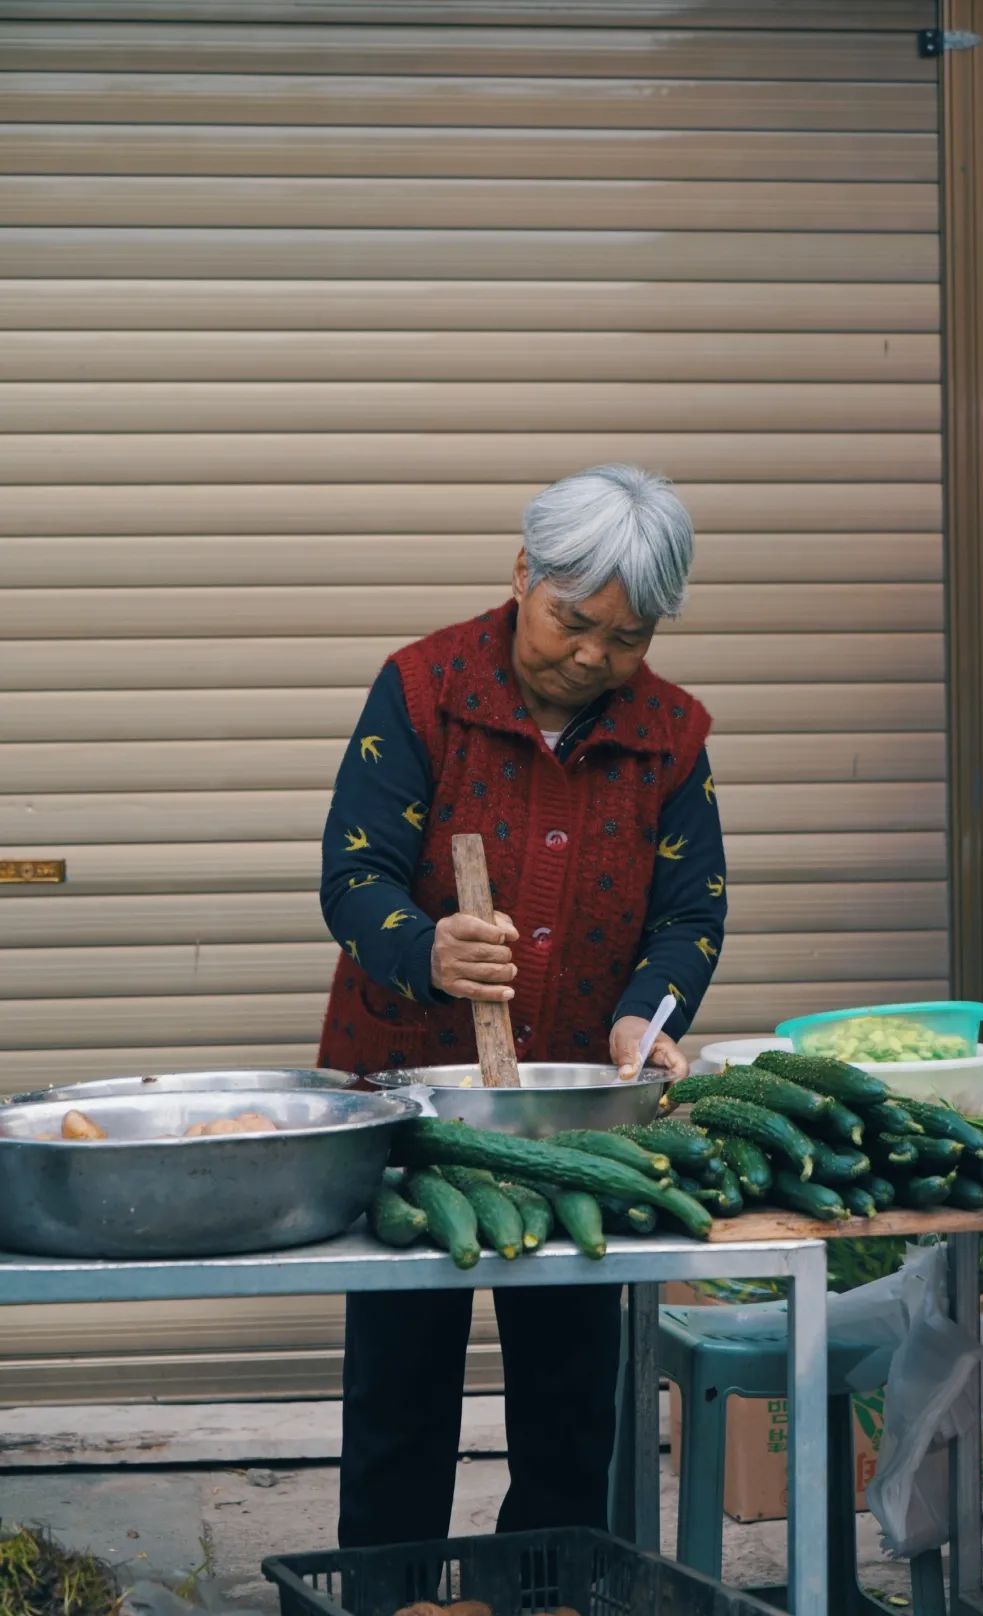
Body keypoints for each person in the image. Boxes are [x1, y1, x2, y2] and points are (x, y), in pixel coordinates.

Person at [318, 463, 727, 1548]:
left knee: (571, 1396)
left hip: (575, 1116)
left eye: (628, 637)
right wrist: (425, 946)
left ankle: (547, 1583)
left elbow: (691, 916)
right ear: (522, 575)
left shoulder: (670, 734)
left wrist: (650, 1014)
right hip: (409, 1108)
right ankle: (385, 1584)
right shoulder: (421, 689)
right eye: (572, 621)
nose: (594, 656)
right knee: (401, 1394)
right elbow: (352, 876)